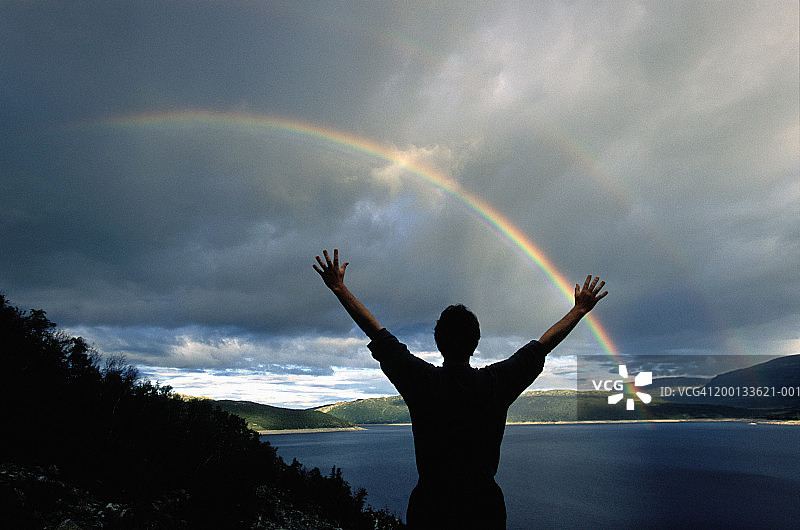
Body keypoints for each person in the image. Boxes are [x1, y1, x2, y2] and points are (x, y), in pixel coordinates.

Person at [314, 248, 608, 529]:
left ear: (438, 342)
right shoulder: (496, 383)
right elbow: (543, 346)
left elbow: (375, 332)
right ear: (476, 343)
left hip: (429, 509)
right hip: (484, 510)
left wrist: (339, 288)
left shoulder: (420, 381)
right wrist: (580, 309)